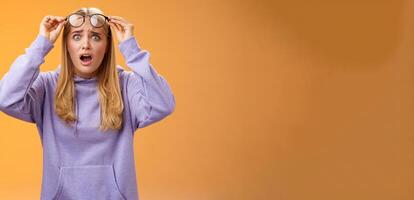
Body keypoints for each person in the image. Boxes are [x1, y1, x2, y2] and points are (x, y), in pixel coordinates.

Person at [0, 7, 175, 200]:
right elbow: (5, 98)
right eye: (76, 36)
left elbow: (163, 104)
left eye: (96, 37)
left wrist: (132, 51)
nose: (85, 45)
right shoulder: (47, 86)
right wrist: (41, 45)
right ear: (66, 45)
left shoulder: (126, 85)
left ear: (108, 45)